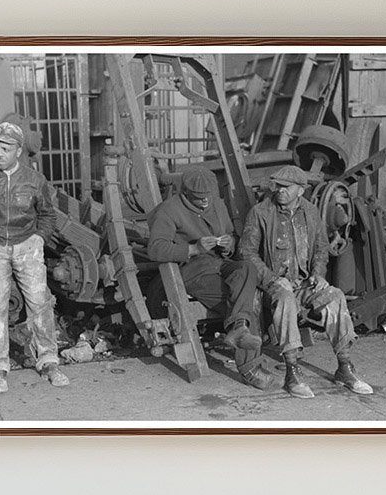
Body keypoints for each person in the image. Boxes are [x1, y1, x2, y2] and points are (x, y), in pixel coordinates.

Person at [239, 165, 373, 399]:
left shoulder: (310, 212)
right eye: (277, 186)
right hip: (272, 285)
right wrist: (273, 278)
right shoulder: (260, 212)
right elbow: (247, 253)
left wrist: (318, 274)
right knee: (285, 298)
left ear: (300, 190)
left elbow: (321, 249)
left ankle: (345, 367)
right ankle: (293, 372)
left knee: (335, 297)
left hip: (304, 283)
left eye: (285, 187)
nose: (279, 190)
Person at [0, 121, 68, 394]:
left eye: (5, 148)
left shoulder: (34, 180)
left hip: (27, 246)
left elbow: (47, 215)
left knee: (40, 303)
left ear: (18, 151)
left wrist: (38, 238)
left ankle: (49, 361)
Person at [147, 167, 274, 391]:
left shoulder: (217, 203)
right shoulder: (168, 210)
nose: (205, 202)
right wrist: (193, 248)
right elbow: (156, 249)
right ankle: (250, 367)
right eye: (199, 199)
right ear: (185, 193)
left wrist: (229, 244)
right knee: (248, 300)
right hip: (193, 271)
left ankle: (238, 328)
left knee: (247, 269)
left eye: (208, 197)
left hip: (219, 262)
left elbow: (231, 236)